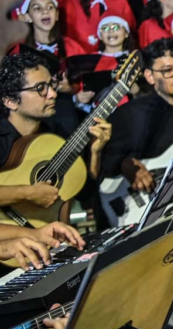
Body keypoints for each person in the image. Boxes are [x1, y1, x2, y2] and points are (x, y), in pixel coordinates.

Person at [0, 51, 111, 214]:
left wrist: (96, 153)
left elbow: (85, 195)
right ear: (10, 101)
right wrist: (28, 193)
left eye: (51, 85)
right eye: (40, 88)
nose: (53, 94)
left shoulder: (56, 136)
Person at [100, 38, 173, 205]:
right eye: (167, 70)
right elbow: (105, 162)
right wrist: (125, 165)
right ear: (150, 76)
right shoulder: (128, 114)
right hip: (142, 208)